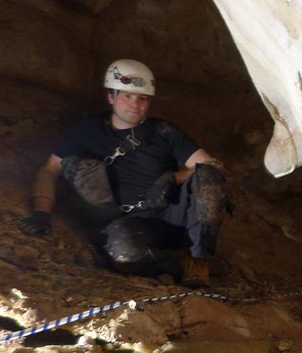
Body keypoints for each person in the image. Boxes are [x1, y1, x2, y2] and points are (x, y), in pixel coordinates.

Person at [20, 59, 230, 288]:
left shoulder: (163, 131)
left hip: (170, 216)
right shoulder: (88, 131)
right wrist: (42, 212)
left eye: (143, 98)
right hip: (126, 223)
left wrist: (173, 178)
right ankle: (171, 265)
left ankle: (198, 262)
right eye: (127, 96)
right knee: (126, 255)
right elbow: (50, 170)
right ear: (111, 96)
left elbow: (212, 164)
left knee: (208, 178)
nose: (135, 104)